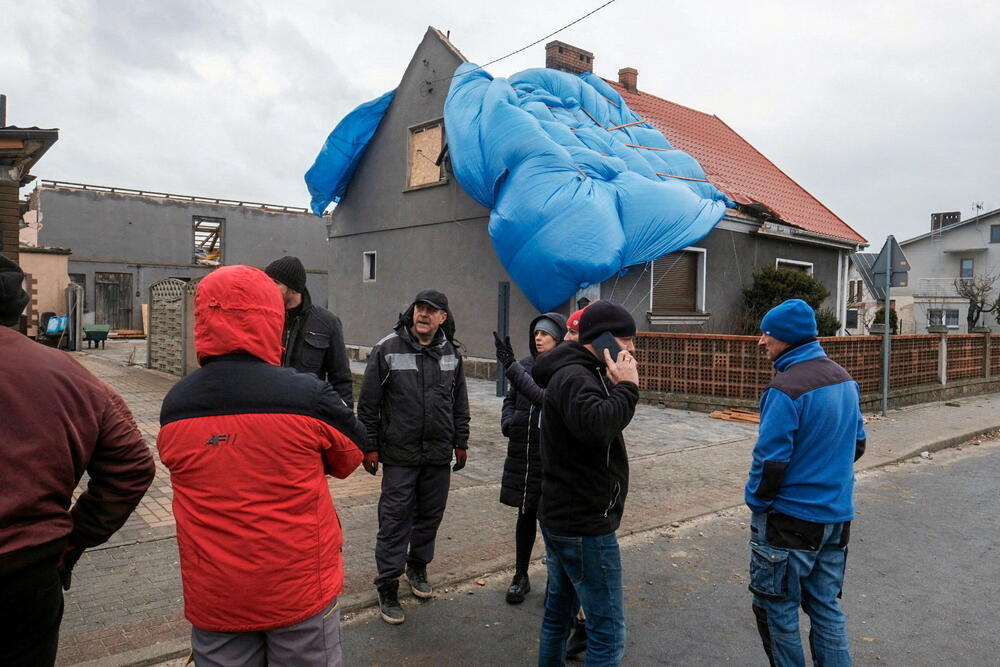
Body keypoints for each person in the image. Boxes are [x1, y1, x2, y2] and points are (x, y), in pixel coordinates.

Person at [158, 265, 365, 666]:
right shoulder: (307, 395)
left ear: (202, 317)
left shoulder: (176, 404)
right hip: (298, 585)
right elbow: (350, 456)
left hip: (215, 592)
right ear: (272, 317)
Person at [0, 255, 155, 667]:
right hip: (25, 576)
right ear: (18, 308)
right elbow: (134, 466)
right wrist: (76, 536)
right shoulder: (69, 375)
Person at [745, 299, 867, 667]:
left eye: (767, 333)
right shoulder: (844, 379)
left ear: (785, 338)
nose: (761, 341)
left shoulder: (785, 389)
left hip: (789, 522)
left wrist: (756, 501)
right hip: (836, 518)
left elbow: (771, 463)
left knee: (777, 610)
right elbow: (857, 444)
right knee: (826, 607)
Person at [531, 300, 640, 666]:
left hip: (564, 515)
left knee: (559, 613)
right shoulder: (576, 376)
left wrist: (612, 386)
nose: (632, 350)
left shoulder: (579, 371)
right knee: (607, 629)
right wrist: (626, 388)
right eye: (626, 341)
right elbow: (596, 428)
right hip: (584, 523)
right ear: (605, 339)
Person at [358, 289, 470, 625]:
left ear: (442, 318)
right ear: (412, 312)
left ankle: (417, 567)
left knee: (430, 516)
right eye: (419, 308)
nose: (423, 314)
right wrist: (369, 446)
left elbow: (459, 401)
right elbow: (368, 404)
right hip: (400, 454)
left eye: (431, 310)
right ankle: (388, 584)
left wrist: (460, 441)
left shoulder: (451, 353)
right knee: (394, 520)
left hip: (437, 453)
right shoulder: (387, 349)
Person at [495, 312, 567, 604]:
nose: (539, 338)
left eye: (545, 334)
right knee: (524, 515)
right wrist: (508, 422)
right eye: (536, 333)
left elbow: (541, 397)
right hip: (523, 453)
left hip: (549, 456)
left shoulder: (564, 371)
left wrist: (511, 367)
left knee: (550, 521)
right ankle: (520, 575)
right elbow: (511, 399)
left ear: (559, 338)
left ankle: (556, 581)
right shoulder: (525, 365)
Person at [265, 255, 354, 408]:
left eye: (275, 282)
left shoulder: (327, 322)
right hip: (268, 412)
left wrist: (343, 421)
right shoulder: (262, 318)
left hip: (306, 414)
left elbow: (340, 378)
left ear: (293, 289)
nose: (268, 287)